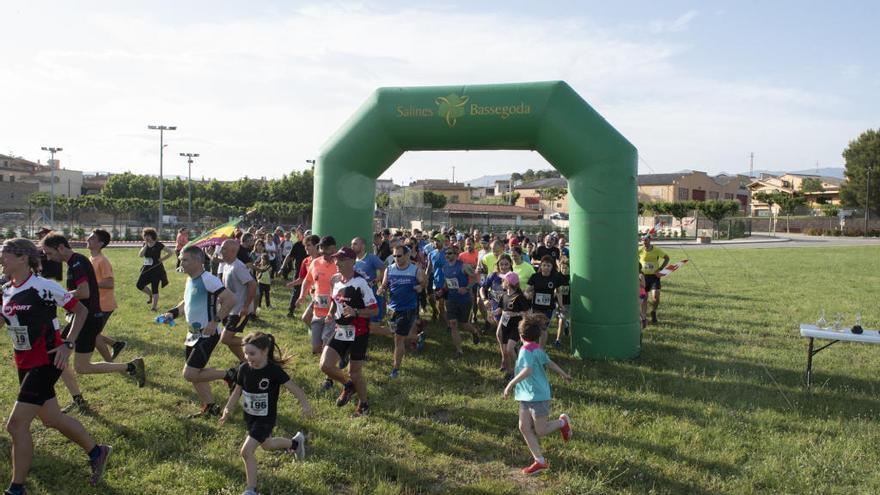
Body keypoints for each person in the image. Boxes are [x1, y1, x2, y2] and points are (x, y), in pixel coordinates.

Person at [0, 238, 112, 493]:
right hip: (24, 362)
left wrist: (68, 344)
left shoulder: (43, 287)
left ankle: (16, 488)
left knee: (16, 425)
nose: (0, 259)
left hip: (48, 360)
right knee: (51, 418)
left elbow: (81, 311)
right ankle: (98, 452)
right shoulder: (6, 289)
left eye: (4, 254)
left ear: (23, 258)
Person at [41, 234, 145, 414]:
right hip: (81, 318)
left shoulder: (77, 262)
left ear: (60, 248)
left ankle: (132, 366)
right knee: (57, 356)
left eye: (49, 253)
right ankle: (78, 400)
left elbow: (84, 292)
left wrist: (57, 296)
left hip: (88, 320)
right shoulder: (74, 261)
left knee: (82, 367)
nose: (49, 258)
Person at [219, 332, 314, 495]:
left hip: (266, 418)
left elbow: (295, 389)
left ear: (264, 351)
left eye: (252, 353)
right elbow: (237, 391)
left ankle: (251, 490)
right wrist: (227, 409)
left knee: (246, 452)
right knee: (267, 445)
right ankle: (296, 444)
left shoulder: (273, 371)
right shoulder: (243, 368)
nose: (248, 357)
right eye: (246, 353)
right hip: (250, 417)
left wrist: (305, 405)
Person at [163, 245, 239, 418]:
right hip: (193, 334)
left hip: (207, 334)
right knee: (197, 374)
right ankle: (210, 407)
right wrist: (172, 313)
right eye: (181, 258)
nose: (181, 262)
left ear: (198, 261)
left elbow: (230, 299)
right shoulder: (191, 278)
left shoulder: (208, 279)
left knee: (190, 374)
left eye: (185, 259)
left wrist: (215, 321)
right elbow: (186, 302)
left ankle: (231, 374)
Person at [503, 313, 573, 476]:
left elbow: (528, 370)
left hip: (538, 396)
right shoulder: (535, 349)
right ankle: (540, 461)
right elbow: (549, 363)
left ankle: (562, 422)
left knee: (540, 430)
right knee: (524, 427)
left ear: (521, 335)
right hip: (526, 395)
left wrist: (510, 383)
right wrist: (564, 374)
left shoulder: (527, 351)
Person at [320, 247, 379, 417]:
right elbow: (335, 300)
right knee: (325, 366)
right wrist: (331, 313)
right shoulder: (336, 281)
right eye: (336, 259)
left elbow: (374, 310)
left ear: (352, 262)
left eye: (341, 259)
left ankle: (364, 404)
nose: (337, 262)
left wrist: (357, 312)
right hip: (341, 330)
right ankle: (348, 385)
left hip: (358, 332)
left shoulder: (361, 283)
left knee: (355, 372)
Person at [377, 244, 426, 378]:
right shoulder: (390, 269)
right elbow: (384, 284)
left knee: (398, 338)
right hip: (393, 309)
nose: (396, 258)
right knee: (395, 334)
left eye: (399, 255)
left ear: (406, 255)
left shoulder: (414, 270)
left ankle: (395, 369)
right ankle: (418, 337)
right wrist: (381, 289)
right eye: (394, 256)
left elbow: (423, 283)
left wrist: (420, 287)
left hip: (408, 308)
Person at [87, 229, 127, 362]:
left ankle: (109, 363)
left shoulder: (102, 261)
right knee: (89, 332)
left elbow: (109, 283)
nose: (88, 239)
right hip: (95, 304)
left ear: (100, 243)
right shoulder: (92, 258)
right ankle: (116, 344)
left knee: (92, 335)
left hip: (103, 305)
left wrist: (90, 285)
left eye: (92, 238)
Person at [296, 236, 339, 357]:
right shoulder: (315, 263)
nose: (326, 252)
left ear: (334, 249)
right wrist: (302, 296)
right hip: (318, 310)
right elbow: (307, 280)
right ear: (320, 249)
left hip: (334, 310)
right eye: (323, 249)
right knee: (316, 348)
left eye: (329, 249)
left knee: (326, 343)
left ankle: (328, 369)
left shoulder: (339, 264)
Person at [218, 239, 258, 363]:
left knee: (225, 339)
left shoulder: (238, 266)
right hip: (229, 309)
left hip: (239, 310)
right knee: (230, 338)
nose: (221, 250)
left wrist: (246, 306)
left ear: (233, 251)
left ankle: (258, 343)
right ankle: (243, 361)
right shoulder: (226, 265)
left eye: (224, 248)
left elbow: (252, 284)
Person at [440, 245, 480, 356]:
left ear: (456, 255)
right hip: (451, 299)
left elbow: (475, 278)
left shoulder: (464, 266)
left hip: (464, 299)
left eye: (450, 253)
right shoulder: (445, 267)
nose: (447, 255)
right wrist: (442, 290)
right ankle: (459, 350)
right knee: (453, 323)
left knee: (464, 324)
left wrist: (466, 288)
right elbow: (447, 282)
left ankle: (475, 332)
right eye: (446, 253)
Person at [351, 237, 391, 337]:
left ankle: (403, 335)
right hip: (358, 295)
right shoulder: (352, 260)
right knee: (362, 324)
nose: (352, 246)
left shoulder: (371, 257)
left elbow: (384, 269)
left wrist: (376, 281)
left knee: (373, 327)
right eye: (352, 244)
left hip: (371, 294)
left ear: (363, 246)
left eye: (355, 244)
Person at [498, 272, 531, 381]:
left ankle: (519, 370)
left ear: (508, 283)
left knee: (509, 348)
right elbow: (500, 309)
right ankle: (509, 371)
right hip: (505, 326)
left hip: (516, 327)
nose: (502, 282)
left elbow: (527, 313)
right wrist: (492, 312)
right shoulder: (504, 295)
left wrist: (515, 314)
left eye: (504, 280)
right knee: (506, 351)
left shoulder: (519, 297)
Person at [525, 256, 565, 347]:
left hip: (548, 308)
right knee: (535, 327)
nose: (546, 267)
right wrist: (527, 294)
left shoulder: (555, 278)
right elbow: (528, 290)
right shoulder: (535, 277)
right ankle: (532, 346)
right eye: (544, 265)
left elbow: (558, 292)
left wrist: (561, 304)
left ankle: (541, 350)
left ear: (552, 267)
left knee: (543, 328)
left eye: (548, 265)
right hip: (536, 307)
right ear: (541, 266)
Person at [136, 228, 174, 311]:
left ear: (152, 236)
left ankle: (154, 307)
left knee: (155, 288)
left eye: (148, 236)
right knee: (139, 285)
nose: (146, 237)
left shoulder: (158, 244)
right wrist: (146, 245)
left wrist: (162, 259)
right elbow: (141, 255)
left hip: (157, 269)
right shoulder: (145, 244)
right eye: (145, 236)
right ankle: (150, 295)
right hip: (146, 268)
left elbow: (171, 252)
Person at [638, 236, 669, 324]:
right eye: (643, 241)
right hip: (643, 277)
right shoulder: (640, 249)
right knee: (644, 298)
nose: (645, 243)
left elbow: (667, 258)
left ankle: (653, 312)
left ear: (650, 240)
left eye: (646, 241)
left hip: (654, 276)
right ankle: (643, 317)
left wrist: (661, 268)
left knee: (656, 297)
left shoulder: (656, 250)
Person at [286, 234, 318, 319]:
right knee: (307, 318)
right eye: (305, 246)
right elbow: (302, 279)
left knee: (308, 318)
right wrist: (292, 284)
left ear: (316, 246)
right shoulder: (306, 261)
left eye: (309, 245)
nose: (306, 248)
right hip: (314, 294)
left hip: (323, 295)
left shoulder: (324, 259)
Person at [553, 259, 572, 349]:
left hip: (566, 303)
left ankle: (558, 340)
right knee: (558, 319)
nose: (564, 270)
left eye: (566, 268)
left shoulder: (571, 277)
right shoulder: (557, 276)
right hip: (556, 302)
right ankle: (566, 325)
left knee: (562, 319)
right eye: (562, 268)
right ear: (559, 267)